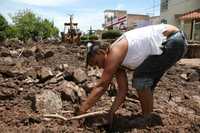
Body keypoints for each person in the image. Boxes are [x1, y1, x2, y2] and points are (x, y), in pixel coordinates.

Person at [78, 24, 188, 126]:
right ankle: (148, 117)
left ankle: (147, 118)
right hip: (175, 42)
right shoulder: (117, 63)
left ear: (101, 52)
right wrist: (111, 113)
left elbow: (102, 86)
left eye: (97, 62)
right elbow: (122, 90)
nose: (100, 67)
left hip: (173, 41)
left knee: (140, 78)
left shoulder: (115, 51)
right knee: (145, 83)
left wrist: (82, 110)